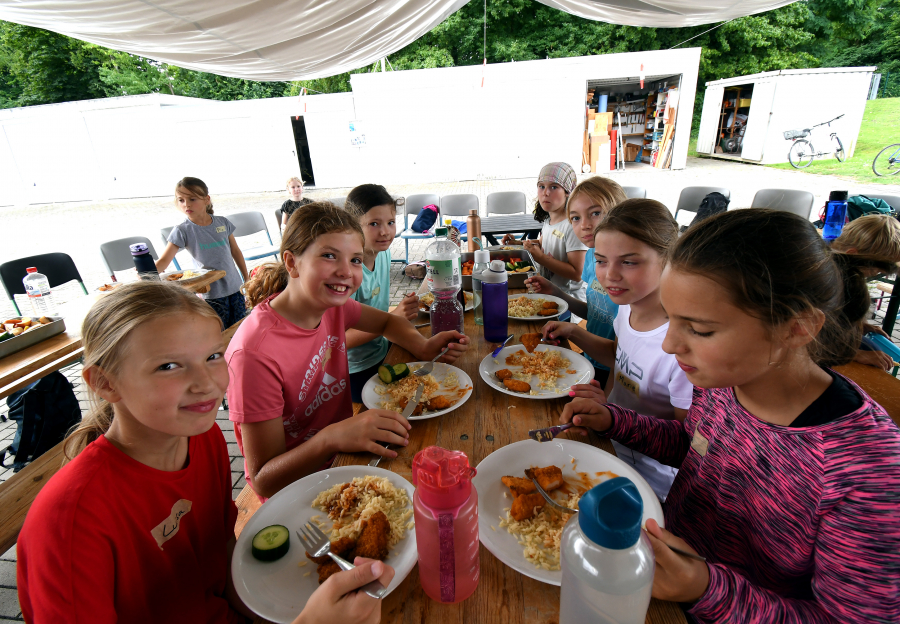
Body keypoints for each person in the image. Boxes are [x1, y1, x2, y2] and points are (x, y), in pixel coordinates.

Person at [561, 209, 900, 623]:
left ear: (797, 328)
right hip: (661, 569)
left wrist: (707, 588)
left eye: (699, 330)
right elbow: (695, 447)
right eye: (671, 319)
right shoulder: (722, 380)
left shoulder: (865, 471)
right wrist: (616, 421)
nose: (668, 345)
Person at [16, 281, 396, 624]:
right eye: (168, 366)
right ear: (104, 383)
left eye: (214, 356)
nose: (206, 384)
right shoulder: (70, 521)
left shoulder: (205, 439)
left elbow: (223, 557)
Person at [227, 202, 468, 501]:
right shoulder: (254, 354)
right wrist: (332, 437)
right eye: (329, 256)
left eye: (355, 260)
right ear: (291, 262)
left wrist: (422, 345)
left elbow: (387, 321)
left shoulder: (330, 306)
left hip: (344, 453)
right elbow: (264, 479)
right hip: (298, 491)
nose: (345, 272)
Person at [541, 198, 692, 501]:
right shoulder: (628, 309)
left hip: (648, 480)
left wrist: (613, 415)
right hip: (607, 440)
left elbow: (683, 442)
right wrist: (573, 332)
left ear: (668, 259)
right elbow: (620, 357)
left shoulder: (683, 346)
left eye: (629, 262)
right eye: (601, 260)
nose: (610, 274)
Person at [525, 176, 626, 387]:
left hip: (620, 371)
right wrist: (556, 292)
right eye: (575, 218)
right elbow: (595, 312)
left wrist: (574, 332)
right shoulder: (591, 257)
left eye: (595, 213)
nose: (585, 225)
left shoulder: (626, 273)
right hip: (593, 357)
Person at [343, 184, 419, 402]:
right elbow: (340, 340)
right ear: (353, 226)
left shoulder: (383, 254)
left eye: (390, 222)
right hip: (354, 370)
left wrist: (396, 315)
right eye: (374, 224)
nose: (385, 231)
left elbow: (380, 313)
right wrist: (392, 318)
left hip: (382, 350)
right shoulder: (347, 274)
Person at [156, 177, 249, 328]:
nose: (186, 204)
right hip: (211, 292)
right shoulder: (182, 230)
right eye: (181, 200)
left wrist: (246, 277)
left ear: (207, 200)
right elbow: (164, 261)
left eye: (192, 199)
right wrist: (146, 271)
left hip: (234, 285)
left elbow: (235, 251)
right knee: (220, 329)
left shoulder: (222, 222)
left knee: (240, 325)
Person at [502, 162, 587, 321]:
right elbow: (544, 243)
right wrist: (518, 244)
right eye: (541, 186)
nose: (545, 193)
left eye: (554, 187)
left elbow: (577, 273)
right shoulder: (550, 219)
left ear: (568, 192)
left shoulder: (572, 226)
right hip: (548, 292)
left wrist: (541, 258)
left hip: (568, 303)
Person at [831, 213, 900, 371]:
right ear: (853, 254)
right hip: (807, 351)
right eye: (876, 268)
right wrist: (855, 354)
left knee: (873, 349)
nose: (877, 274)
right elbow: (810, 333)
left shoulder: (843, 272)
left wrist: (862, 325)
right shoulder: (828, 282)